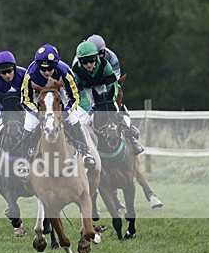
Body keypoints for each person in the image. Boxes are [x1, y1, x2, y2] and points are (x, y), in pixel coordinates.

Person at [87, 34, 162, 208]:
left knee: (124, 115)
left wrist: (109, 97)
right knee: (86, 121)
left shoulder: (111, 57)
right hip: (90, 94)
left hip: (108, 90)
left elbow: (115, 81)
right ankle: (86, 150)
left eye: (100, 54)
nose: (96, 58)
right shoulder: (79, 60)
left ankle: (131, 139)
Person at [20, 43, 96, 169]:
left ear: (55, 65)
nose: (47, 72)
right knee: (29, 125)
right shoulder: (30, 75)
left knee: (74, 119)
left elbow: (75, 96)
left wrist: (66, 111)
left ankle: (86, 153)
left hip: (59, 94)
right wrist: (36, 113)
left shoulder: (65, 72)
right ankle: (24, 160)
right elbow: (25, 100)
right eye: (43, 69)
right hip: (38, 97)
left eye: (50, 69)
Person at [71, 40, 144, 156]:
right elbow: (79, 93)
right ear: (79, 61)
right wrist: (88, 108)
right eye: (85, 62)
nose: (89, 65)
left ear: (96, 57)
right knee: (82, 118)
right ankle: (83, 150)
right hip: (85, 90)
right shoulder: (75, 69)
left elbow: (113, 84)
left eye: (92, 61)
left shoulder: (106, 64)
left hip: (102, 86)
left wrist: (111, 99)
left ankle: (131, 137)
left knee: (114, 109)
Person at [0, 50, 26, 153]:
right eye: (3, 72)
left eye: (10, 71)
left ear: (14, 68)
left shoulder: (24, 75)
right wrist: (0, 113)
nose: (7, 75)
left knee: (31, 127)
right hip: (2, 108)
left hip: (21, 107)